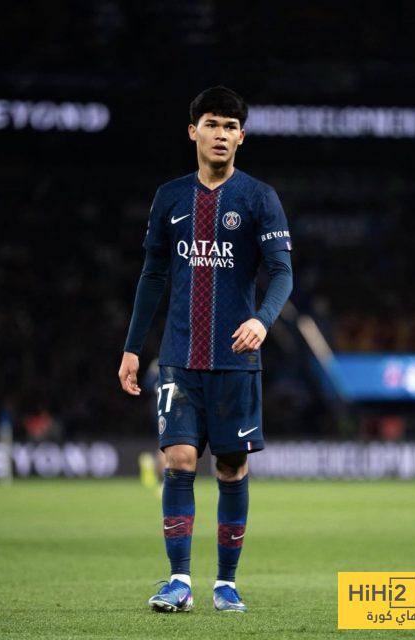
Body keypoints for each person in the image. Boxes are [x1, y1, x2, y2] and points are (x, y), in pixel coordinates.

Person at [119, 86, 293, 613]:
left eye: (230, 126)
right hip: (179, 357)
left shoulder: (259, 198)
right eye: (212, 124)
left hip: (236, 360)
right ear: (193, 130)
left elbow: (282, 272)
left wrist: (262, 320)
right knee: (179, 459)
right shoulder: (170, 197)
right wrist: (132, 348)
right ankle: (179, 580)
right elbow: (152, 275)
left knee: (231, 468)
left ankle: (226, 583)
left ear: (242, 137)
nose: (221, 134)